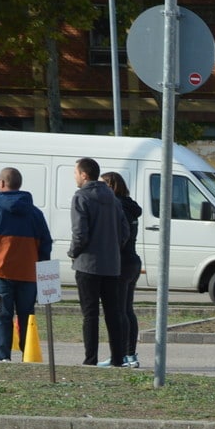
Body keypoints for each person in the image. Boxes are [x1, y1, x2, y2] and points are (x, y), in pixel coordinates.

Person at [0, 167, 53, 361]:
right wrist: (41, 264)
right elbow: (46, 242)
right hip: (28, 272)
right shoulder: (35, 213)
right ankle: (28, 354)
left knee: (2, 314)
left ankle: (3, 355)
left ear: (1, 183)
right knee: (27, 315)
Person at [69, 157, 129, 367]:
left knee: (90, 314)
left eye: (76, 173)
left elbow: (80, 233)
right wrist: (113, 248)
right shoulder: (112, 198)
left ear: (84, 175)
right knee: (113, 313)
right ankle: (118, 358)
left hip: (87, 264)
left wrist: (73, 252)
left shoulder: (81, 197)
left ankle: (91, 359)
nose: (75, 177)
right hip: (111, 265)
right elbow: (125, 230)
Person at [100, 171, 143, 368]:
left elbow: (119, 236)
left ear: (111, 186)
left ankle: (122, 355)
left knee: (119, 311)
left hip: (121, 262)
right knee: (127, 310)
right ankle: (130, 354)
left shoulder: (117, 207)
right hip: (132, 261)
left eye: (102, 185)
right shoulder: (130, 206)